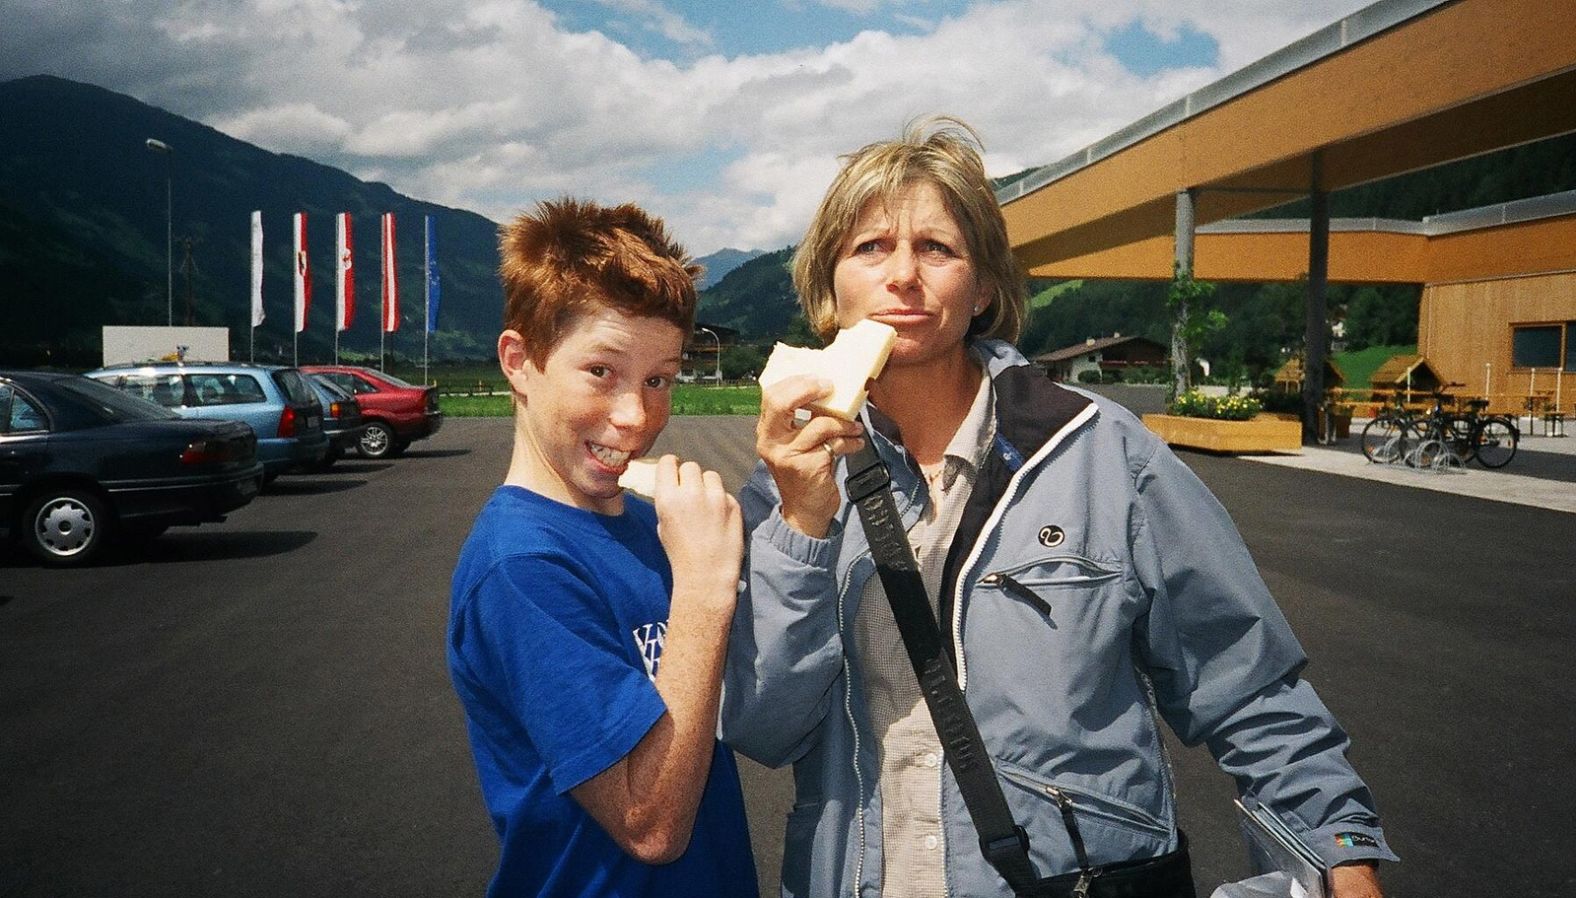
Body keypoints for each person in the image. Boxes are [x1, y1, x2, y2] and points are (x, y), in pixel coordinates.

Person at [720, 118, 1396, 898]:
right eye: (870, 248)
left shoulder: (1100, 451)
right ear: (829, 287)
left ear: (981, 290)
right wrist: (803, 526)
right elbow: (766, 728)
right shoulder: (789, 475)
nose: (902, 275)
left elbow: (1246, 681)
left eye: (936, 249)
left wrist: (1339, 851)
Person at [448, 198, 758, 898]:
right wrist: (706, 585)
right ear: (520, 362)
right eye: (602, 371)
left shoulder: (650, 527)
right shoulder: (522, 568)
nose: (637, 415)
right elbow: (650, 825)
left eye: (659, 378)